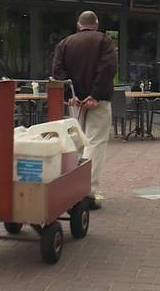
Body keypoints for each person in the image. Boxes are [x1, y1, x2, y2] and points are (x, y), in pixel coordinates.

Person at [52, 11, 118, 210]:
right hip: (98, 102)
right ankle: (87, 191)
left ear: (78, 25)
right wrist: (95, 94)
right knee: (95, 142)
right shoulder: (104, 41)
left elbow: (57, 70)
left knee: (75, 143)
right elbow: (108, 68)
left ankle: (70, 188)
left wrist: (69, 94)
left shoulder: (64, 43)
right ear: (96, 25)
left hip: (75, 101)